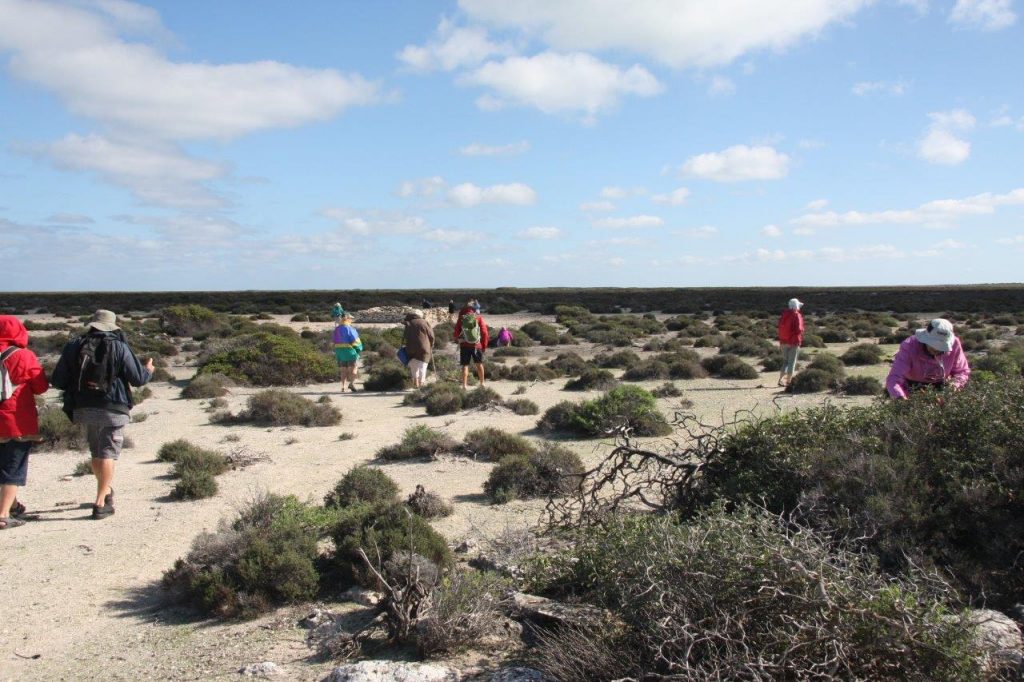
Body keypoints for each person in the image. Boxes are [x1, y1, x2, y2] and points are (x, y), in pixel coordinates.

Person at [51, 310, 153, 520]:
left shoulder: (74, 345)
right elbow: (138, 379)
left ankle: (105, 490)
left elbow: (58, 379)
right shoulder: (119, 346)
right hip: (113, 406)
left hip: (83, 406)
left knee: (96, 451)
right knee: (107, 452)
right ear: (113, 326)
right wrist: (149, 370)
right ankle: (100, 503)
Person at [0, 316, 49, 530]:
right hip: (15, 419)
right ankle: (3, 514)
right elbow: (40, 387)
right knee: (13, 467)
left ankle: (13, 505)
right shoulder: (23, 356)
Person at [886, 318, 970, 399]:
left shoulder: (955, 344)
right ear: (925, 339)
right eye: (933, 344)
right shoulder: (910, 346)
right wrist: (900, 398)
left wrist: (953, 387)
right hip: (911, 390)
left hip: (944, 390)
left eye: (941, 347)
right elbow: (894, 377)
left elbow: (962, 372)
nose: (936, 349)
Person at [454, 300, 489, 389]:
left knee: (465, 365)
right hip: (477, 345)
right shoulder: (478, 317)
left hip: (464, 345)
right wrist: (484, 345)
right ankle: (482, 383)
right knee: (479, 364)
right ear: (474, 308)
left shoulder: (461, 318)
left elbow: (456, 333)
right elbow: (485, 332)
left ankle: (464, 385)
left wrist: (458, 340)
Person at [402, 312, 435, 389]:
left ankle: (416, 383)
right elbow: (431, 335)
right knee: (422, 366)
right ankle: (421, 384)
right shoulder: (424, 322)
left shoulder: (408, 323)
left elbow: (405, 336)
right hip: (424, 348)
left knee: (413, 365)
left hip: (410, 348)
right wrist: (431, 344)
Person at [777, 298, 804, 387]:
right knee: (791, 362)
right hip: (793, 342)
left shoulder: (784, 314)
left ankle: (780, 380)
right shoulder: (797, 315)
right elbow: (799, 329)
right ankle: (788, 381)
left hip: (783, 341)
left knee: (785, 361)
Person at [332, 313, 363, 392]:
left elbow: (334, 341)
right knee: (354, 367)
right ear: (348, 319)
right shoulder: (351, 329)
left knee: (343, 370)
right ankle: (351, 383)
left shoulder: (337, 329)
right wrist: (358, 349)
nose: (352, 320)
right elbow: (356, 342)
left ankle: (343, 387)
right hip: (349, 350)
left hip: (339, 351)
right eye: (351, 319)